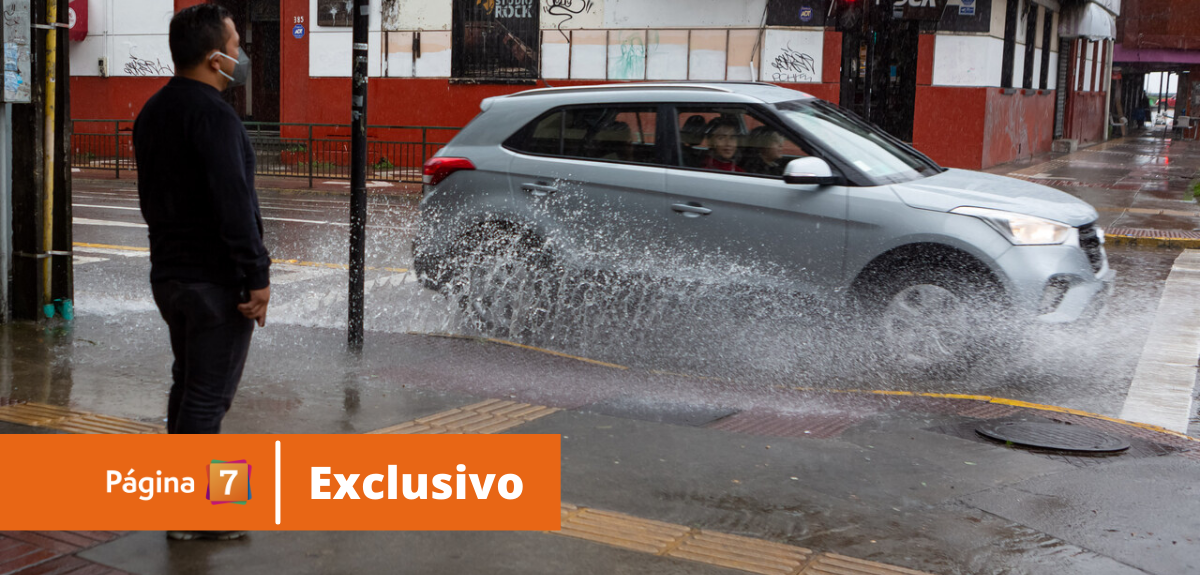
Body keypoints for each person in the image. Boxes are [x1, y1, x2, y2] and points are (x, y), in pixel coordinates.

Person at [133, 5, 269, 540]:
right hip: (216, 282)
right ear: (215, 58)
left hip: (170, 276)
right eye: (236, 44)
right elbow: (233, 203)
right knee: (208, 399)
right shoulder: (215, 116)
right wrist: (255, 275)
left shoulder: (154, 111)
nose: (240, 54)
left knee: (188, 387)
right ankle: (199, 517)